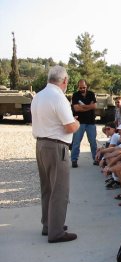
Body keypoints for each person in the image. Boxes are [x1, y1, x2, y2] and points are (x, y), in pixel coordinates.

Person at [31, 65, 79, 243]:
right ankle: (56, 232)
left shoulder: (39, 96)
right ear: (65, 80)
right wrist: (76, 123)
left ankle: (48, 225)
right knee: (59, 191)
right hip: (56, 147)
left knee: (47, 188)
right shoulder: (58, 98)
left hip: (41, 144)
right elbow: (69, 126)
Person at [70, 79, 97, 167]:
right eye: (81, 87)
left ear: (87, 86)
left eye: (84, 87)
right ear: (78, 87)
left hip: (91, 122)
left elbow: (95, 106)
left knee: (93, 142)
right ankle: (74, 160)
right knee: (76, 142)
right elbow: (76, 108)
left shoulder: (91, 94)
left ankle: (96, 158)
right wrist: (89, 106)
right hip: (79, 122)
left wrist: (83, 106)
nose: (82, 89)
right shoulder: (75, 95)